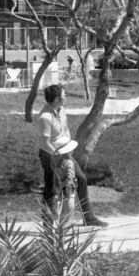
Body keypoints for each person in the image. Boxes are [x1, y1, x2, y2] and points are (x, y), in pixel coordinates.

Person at [35, 84, 107, 227]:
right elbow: (44, 143)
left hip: (65, 152)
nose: (65, 97)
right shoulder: (45, 117)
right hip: (50, 155)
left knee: (81, 179)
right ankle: (48, 224)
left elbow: (65, 130)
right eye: (63, 95)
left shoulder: (62, 111)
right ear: (56, 99)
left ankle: (88, 217)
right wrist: (56, 156)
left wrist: (68, 148)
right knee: (52, 187)